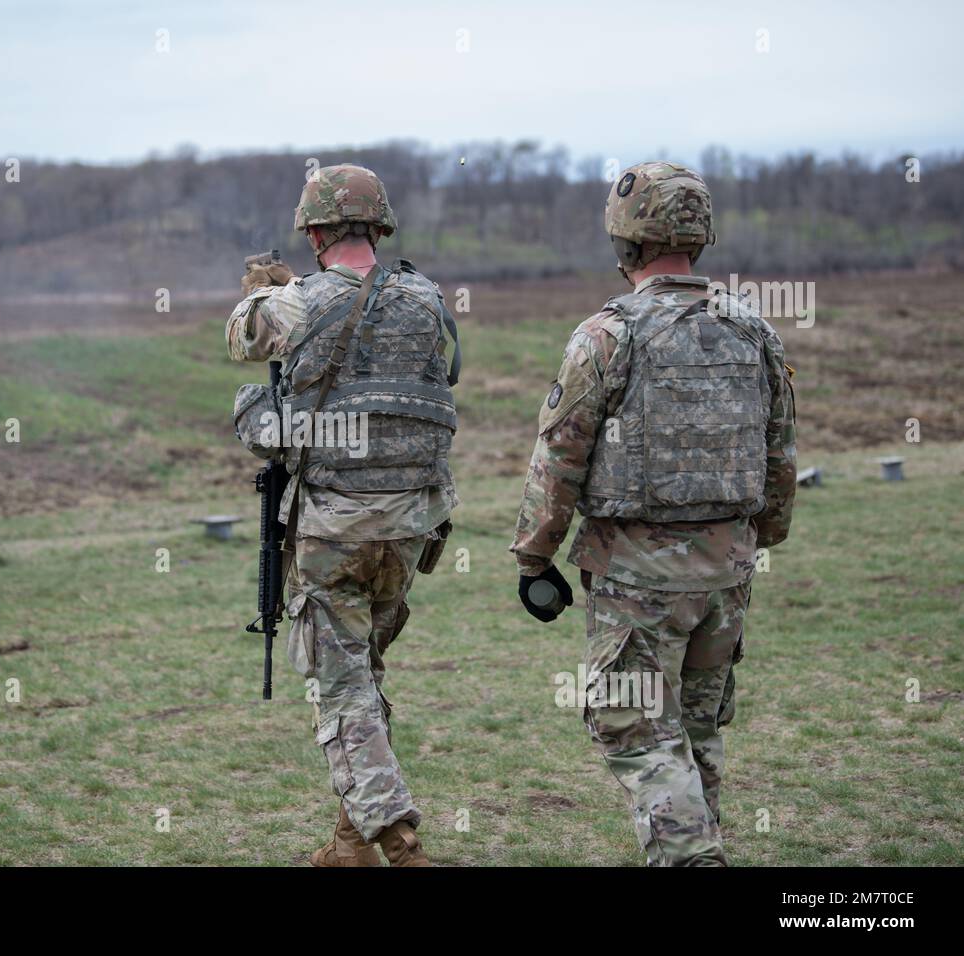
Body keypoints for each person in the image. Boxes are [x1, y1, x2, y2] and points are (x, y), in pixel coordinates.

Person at [510, 161, 797, 866]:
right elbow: (780, 458)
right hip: (727, 573)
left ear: (625, 239)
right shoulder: (754, 331)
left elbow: (560, 456)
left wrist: (534, 554)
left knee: (638, 733)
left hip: (637, 576)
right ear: (700, 236)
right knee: (696, 736)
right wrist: (758, 539)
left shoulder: (608, 335)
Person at [226, 164, 461, 866]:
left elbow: (242, 339)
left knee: (341, 690)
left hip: (332, 529)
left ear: (316, 231)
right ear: (379, 227)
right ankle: (349, 845)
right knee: (364, 676)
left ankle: (394, 833)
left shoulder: (298, 302)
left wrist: (269, 295)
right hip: (409, 531)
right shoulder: (427, 300)